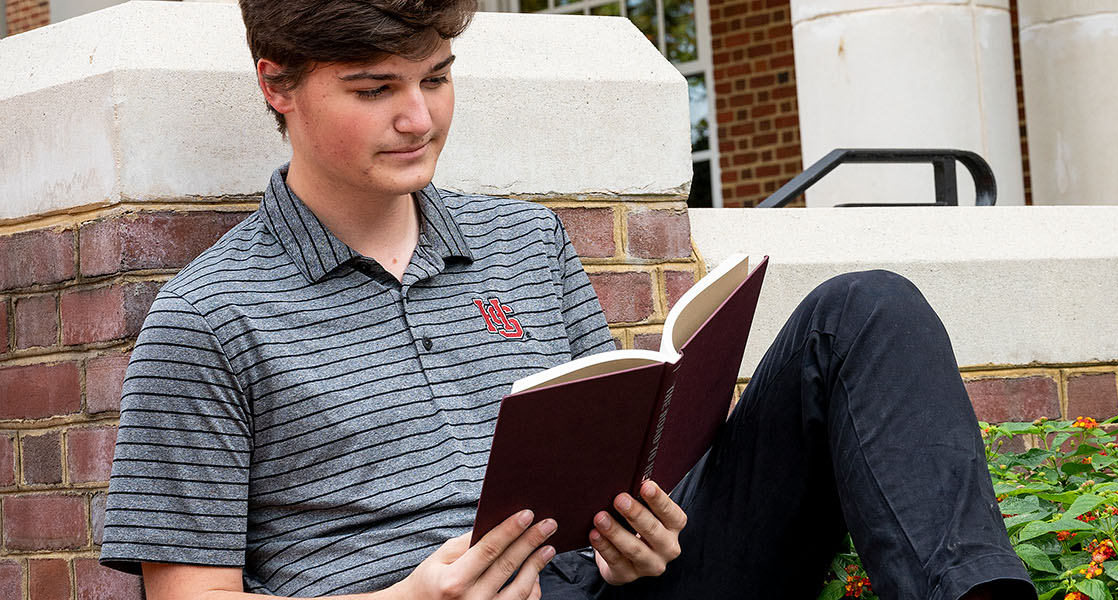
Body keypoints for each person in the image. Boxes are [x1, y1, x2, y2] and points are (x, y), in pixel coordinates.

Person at [99, 1, 1034, 599]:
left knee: (864, 308)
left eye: (436, 79)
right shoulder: (207, 319)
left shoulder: (525, 242)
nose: (419, 117)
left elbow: (626, 454)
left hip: (622, 588)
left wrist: (644, 530)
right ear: (278, 85)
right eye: (375, 89)